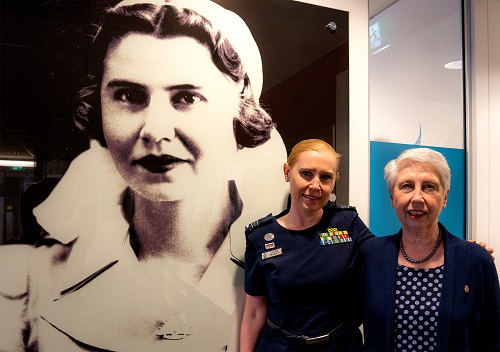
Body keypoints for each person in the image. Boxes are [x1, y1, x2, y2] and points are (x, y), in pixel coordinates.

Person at [0, 1, 288, 351]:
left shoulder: (287, 267)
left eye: (186, 97)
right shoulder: (24, 284)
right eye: (129, 95)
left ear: (239, 108)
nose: (154, 130)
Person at [240, 139, 375, 351]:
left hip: (341, 346)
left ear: (334, 181)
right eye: (306, 174)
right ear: (287, 172)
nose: (315, 185)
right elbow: (254, 312)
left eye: (326, 177)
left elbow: (385, 260)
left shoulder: (347, 224)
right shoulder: (261, 237)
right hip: (281, 346)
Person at [360, 147, 500, 351]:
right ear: (392, 197)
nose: (417, 198)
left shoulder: (475, 260)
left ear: (444, 197)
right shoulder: (371, 255)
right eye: (407, 186)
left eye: (429, 187)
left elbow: (493, 339)